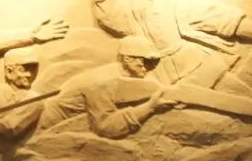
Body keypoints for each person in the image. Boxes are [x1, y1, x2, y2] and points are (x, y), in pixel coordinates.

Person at [91, 0, 252, 87]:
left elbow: (221, 18)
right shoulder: (135, 4)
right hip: (154, 71)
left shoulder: (180, 3)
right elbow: (111, 16)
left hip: (191, 65)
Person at [40, 35, 177, 138]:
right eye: (145, 61)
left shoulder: (125, 73)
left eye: (154, 62)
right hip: (49, 130)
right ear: (127, 59)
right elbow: (106, 127)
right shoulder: (101, 82)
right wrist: (149, 107)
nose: (150, 67)